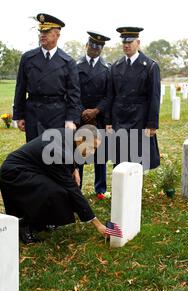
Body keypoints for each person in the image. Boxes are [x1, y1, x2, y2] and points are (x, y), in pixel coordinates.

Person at [0, 126, 107, 244]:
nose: (93, 152)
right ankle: (23, 225)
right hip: (15, 174)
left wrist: (74, 168)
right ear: (80, 139)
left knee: (58, 191)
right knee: (54, 191)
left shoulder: (70, 135)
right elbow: (72, 190)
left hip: (32, 169)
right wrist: (97, 224)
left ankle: (42, 221)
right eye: (92, 147)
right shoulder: (59, 152)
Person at [13, 13, 81, 142]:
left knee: (53, 155)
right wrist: (19, 115)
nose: (42, 35)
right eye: (41, 31)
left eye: (47, 31)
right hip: (33, 113)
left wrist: (71, 119)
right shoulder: (28, 58)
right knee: (34, 153)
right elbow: (20, 88)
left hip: (57, 114)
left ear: (58, 35)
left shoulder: (68, 62)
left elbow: (74, 94)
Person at [105, 27, 160, 170]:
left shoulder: (150, 66)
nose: (126, 45)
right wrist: (108, 121)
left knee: (137, 158)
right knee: (120, 157)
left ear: (138, 42)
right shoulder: (116, 66)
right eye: (124, 42)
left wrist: (152, 123)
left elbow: (154, 96)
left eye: (130, 42)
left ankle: (134, 191)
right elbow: (111, 95)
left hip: (139, 119)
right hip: (120, 118)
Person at [76, 31, 111, 199]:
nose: (95, 48)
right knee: (80, 152)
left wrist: (96, 111)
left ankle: (100, 189)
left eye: (99, 46)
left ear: (102, 49)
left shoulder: (107, 68)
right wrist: (83, 111)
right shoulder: (75, 66)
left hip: (100, 117)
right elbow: (73, 92)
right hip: (81, 116)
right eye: (92, 45)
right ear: (86, 45)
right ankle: (77, 187)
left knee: (100, 155)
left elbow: (109, 95)